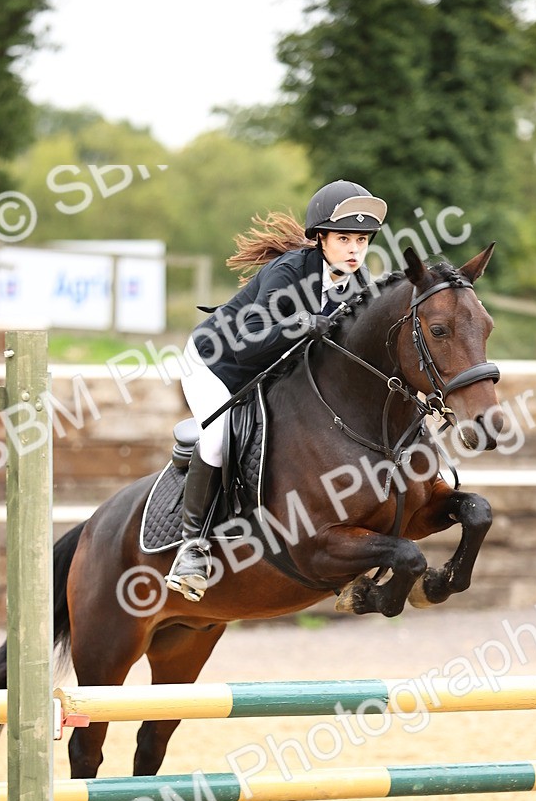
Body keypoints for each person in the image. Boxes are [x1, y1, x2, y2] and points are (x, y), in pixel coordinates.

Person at [165, 179, 388, 602]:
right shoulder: (287, 273)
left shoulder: (359, 286)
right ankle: (191, 548)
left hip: (270, 369)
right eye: (344, 239)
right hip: (216, 363)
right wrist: (299, 324)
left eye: (361, 240)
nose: (355, 250)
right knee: (216, 439)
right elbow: (250, 336)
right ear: (320, 239)